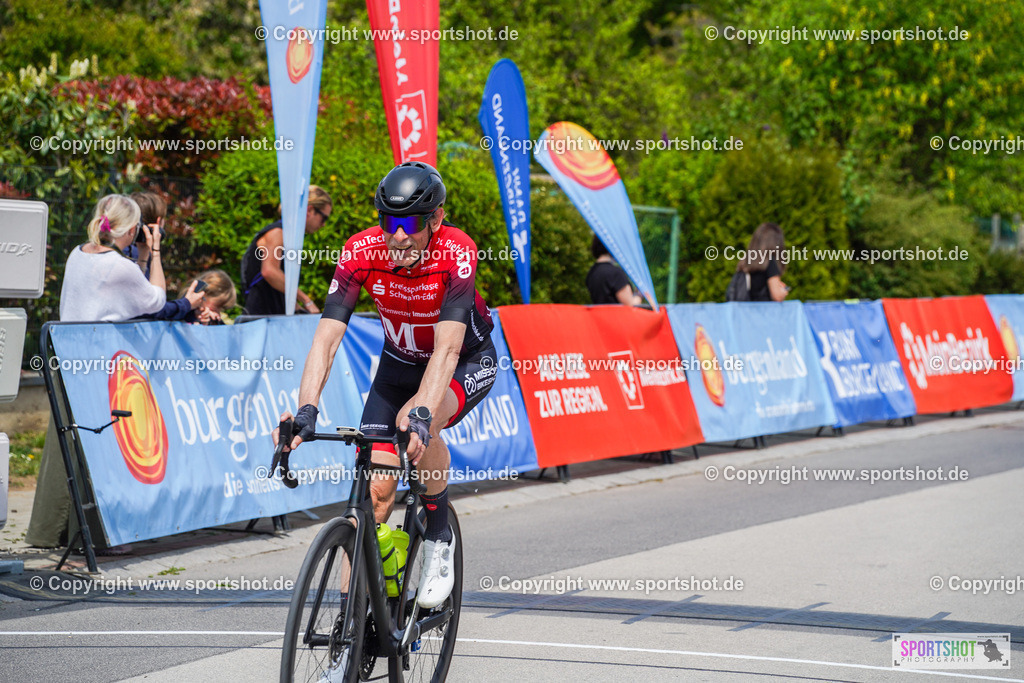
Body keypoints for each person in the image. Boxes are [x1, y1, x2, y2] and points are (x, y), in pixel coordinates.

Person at [274, 162, 496, 609]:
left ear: (435, 219)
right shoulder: (360, 251)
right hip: (398, 365)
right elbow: (327, 336)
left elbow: (447, 350)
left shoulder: (457, 251)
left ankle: (438, 538)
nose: (397, 236)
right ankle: (350, 623)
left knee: (413, 419)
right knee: (374, 497)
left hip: (464, 361)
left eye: (410, 224)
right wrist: (305, 410)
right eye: (388, 222)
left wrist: (421, 416)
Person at [27, 194, 169, 552]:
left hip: (66, 357)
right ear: (133, 228)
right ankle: (97, 536)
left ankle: (48, 532)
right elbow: (155, 300)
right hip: (96, 366)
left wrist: (140, 256)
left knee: (63, 445)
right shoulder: (117, 267)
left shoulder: (78, 253)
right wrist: (156, 253)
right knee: (97, 447)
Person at [242, 186, 332, 316]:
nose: (323, 224)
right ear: (310, 210)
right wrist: (306, 300)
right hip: (260, 318)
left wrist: (296, 307)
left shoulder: (289, 235)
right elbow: (269, 272)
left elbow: (277, 288)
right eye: (324, 218)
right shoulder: (278, 232)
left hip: (272, 316)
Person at [735, 222, 789, 302]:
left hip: (746, 311)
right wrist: (783, 291)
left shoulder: (745, 262)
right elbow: (777, 296)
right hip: (764, 311)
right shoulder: (770, 262)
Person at [585, 236, 642, 305]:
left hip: (598, 315)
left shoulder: (592, 272)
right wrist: (639, 294)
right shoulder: (616, 274)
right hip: (615, 315)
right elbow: (630, 305)